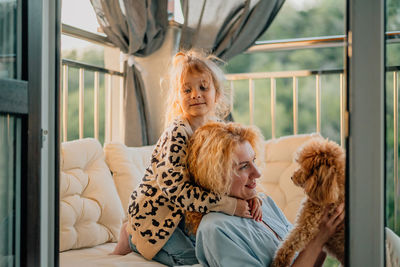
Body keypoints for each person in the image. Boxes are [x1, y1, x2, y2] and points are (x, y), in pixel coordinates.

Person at [111, 50, 261, 266]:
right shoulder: (177, 133)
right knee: (192, 258)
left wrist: (250, 195)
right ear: (178, 98)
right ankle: (134, 236)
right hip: (156, 217)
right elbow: (175, 191)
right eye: (186, 89)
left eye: (203, 87)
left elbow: (230, 173)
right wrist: (228, 205)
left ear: (217, 94)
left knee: (212, 247)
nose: (195, 94)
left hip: (184, 215)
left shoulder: (217, 131)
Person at [185, 122, 345, 267]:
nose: (257, 173)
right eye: (243, 167)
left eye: (254, 161)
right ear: (216, 177)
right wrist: (319, 239)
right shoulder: (216, 230)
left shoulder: (263, 202)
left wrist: (327, 230)